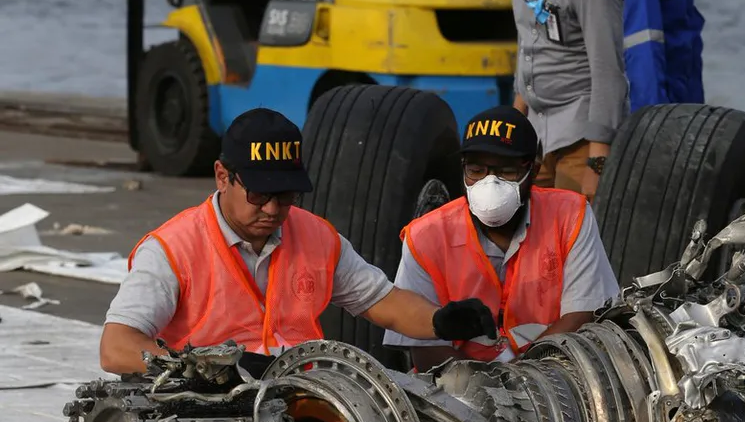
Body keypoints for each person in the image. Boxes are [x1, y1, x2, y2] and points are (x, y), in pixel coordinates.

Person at [99, 108, 496, 375]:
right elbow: (116, 348)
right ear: (222, 177)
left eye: (286, 195)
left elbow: (385, 303)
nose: (273, 209)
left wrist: (441, 321)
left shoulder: (316, 236)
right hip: (209, 405)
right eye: (259, 194)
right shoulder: (171, 249)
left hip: (303, 394)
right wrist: (211, 369)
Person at [383, 105, 621, 372]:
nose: (489, 183)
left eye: (507, 172)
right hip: (454, 391)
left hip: (556, 378)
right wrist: (488, 387)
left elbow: (582, 315)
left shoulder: (570, 215)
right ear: (462, 169)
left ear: (534, 171)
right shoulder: (425, 236)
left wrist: (521, 379)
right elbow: (425, 350)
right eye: (476, 170)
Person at [510, 0, 630, 201]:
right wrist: (516, 119)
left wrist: (598, 163)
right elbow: (528, 40)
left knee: (572, 237)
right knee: (526, 231)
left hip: (580, 138)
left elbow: (608, 71)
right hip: (535, 130)